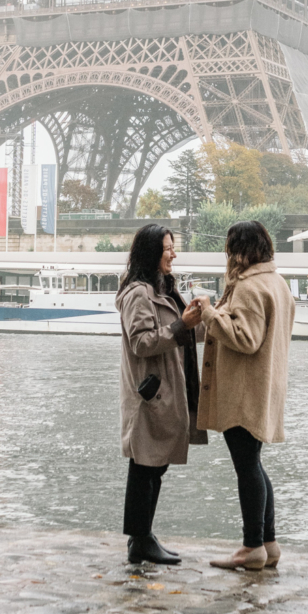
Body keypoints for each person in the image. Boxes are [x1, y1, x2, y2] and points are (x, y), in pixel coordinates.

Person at [196, 219, 295, 572]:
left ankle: (252, 545)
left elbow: (246, 338)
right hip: (265, 386)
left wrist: (208, 312)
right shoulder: (277, 283)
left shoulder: (250, 288)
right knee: (254, 463)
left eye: (229, 250)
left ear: (239, 251)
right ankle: (267, 542)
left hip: (244, 390)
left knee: (247, 466)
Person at [116, 223, 206, 565]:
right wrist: (182, 324)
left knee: (155, 467)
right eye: (169, 248)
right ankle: (139, 539)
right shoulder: (139, 293)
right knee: (145, 468)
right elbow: (142, 343)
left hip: (165, 390)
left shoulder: (163, 288)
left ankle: (143, 537)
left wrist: (203, 321)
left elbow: (178, 333)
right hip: (150, 395)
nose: (174, 253)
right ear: (152, 252)